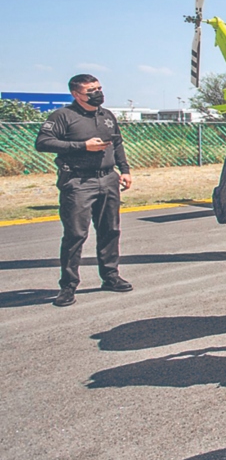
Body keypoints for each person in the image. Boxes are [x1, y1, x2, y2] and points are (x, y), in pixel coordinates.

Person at [35, 74, 134, 307]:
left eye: (99, 88)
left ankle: (110, 277)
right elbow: (43, 143)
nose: (97, 93)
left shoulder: (107, 116)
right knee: (75, 235)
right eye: (91, 90)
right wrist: (82, 146)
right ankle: (68, 286)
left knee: (110, 230)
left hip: (108, 179)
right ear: (76, 94)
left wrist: (125, 170)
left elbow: (117, 143)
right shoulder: (63, 116)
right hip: (78, 182)